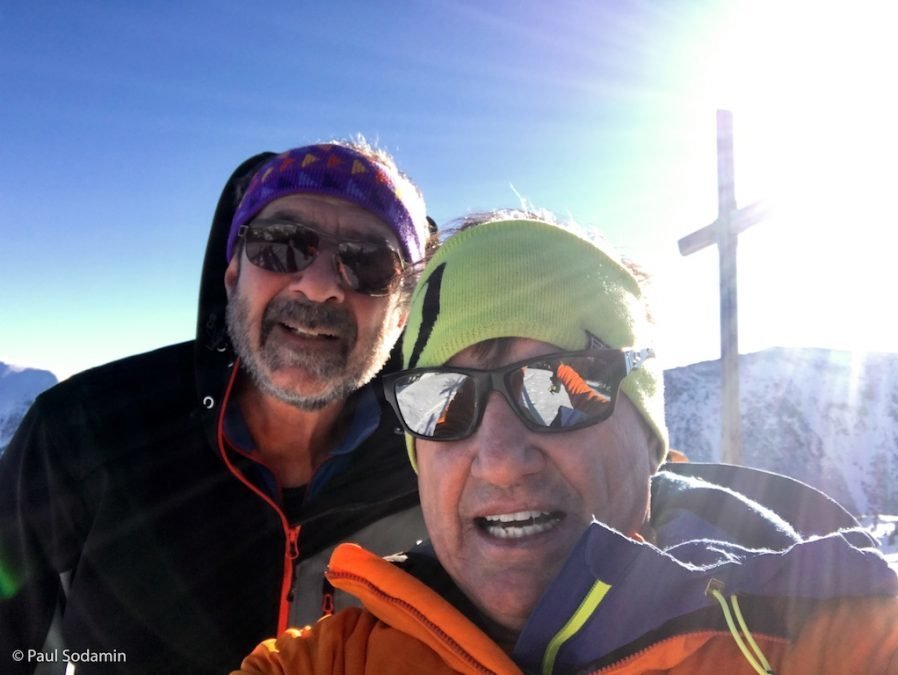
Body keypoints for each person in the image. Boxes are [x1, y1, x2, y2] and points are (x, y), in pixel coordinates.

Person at [234, 212, 898, 674]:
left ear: (650, 436)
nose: (497, 458)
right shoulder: (335, 660)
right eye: (443, 401)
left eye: (559, 387)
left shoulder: (815, 636)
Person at [0, 140, 435, 674]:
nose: (320, 285)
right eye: (281, 244)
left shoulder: (438, 463)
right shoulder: (83, 432)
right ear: (233, 276)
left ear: (399, 316)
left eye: (369, 264)